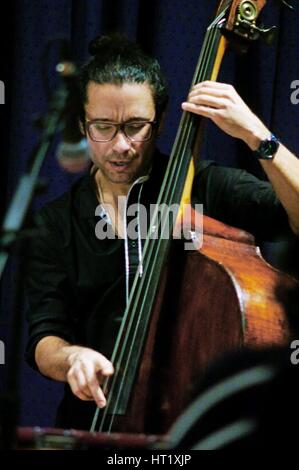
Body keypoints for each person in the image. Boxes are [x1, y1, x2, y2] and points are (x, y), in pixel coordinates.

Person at [25, 34, 299, 431]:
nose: (121, 145)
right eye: (103, 127)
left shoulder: (206, 187)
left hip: (197, 431)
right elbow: (45, 336)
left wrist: (259, 137)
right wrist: (72, 359)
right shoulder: (56, 222)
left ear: (162, 121)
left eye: (136, 126)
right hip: (95, 429)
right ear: (82, 125)